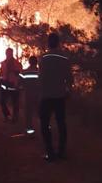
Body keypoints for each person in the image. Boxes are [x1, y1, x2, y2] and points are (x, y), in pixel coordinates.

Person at [39, 32, 72, 160]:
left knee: (45, 123)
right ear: (58, 43)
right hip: (60, 95)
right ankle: (61, 152)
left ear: (48, 43)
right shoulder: (64, 57)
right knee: (61, 123)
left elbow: (40, 77)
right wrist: (68, 90)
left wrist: (40, 91)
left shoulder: (43, 57)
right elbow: (69, 77)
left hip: (46, 96)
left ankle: (50, 152)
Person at [0, 47, 22, 123]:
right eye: (7, 53)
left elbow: (19, 74)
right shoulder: (3, 63)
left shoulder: (16, 63)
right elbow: (1, 74)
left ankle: (15, 118)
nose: (8, 54)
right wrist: (0, 81)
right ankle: (7, 116)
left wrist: (17, 83)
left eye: (9, 53)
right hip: (5, 85)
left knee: (15, 102)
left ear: (11, 53)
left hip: (13, 85)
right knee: (2, 101)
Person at [19, 55, 41, 134]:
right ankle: (45, 128)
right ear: (36, 62)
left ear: (29, 62)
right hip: (39, 95)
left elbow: (19, 84)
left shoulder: (23, 72)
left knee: (28, 113)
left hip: (28, 95)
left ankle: (30, 130)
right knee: (40, 112)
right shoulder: (40, 72)